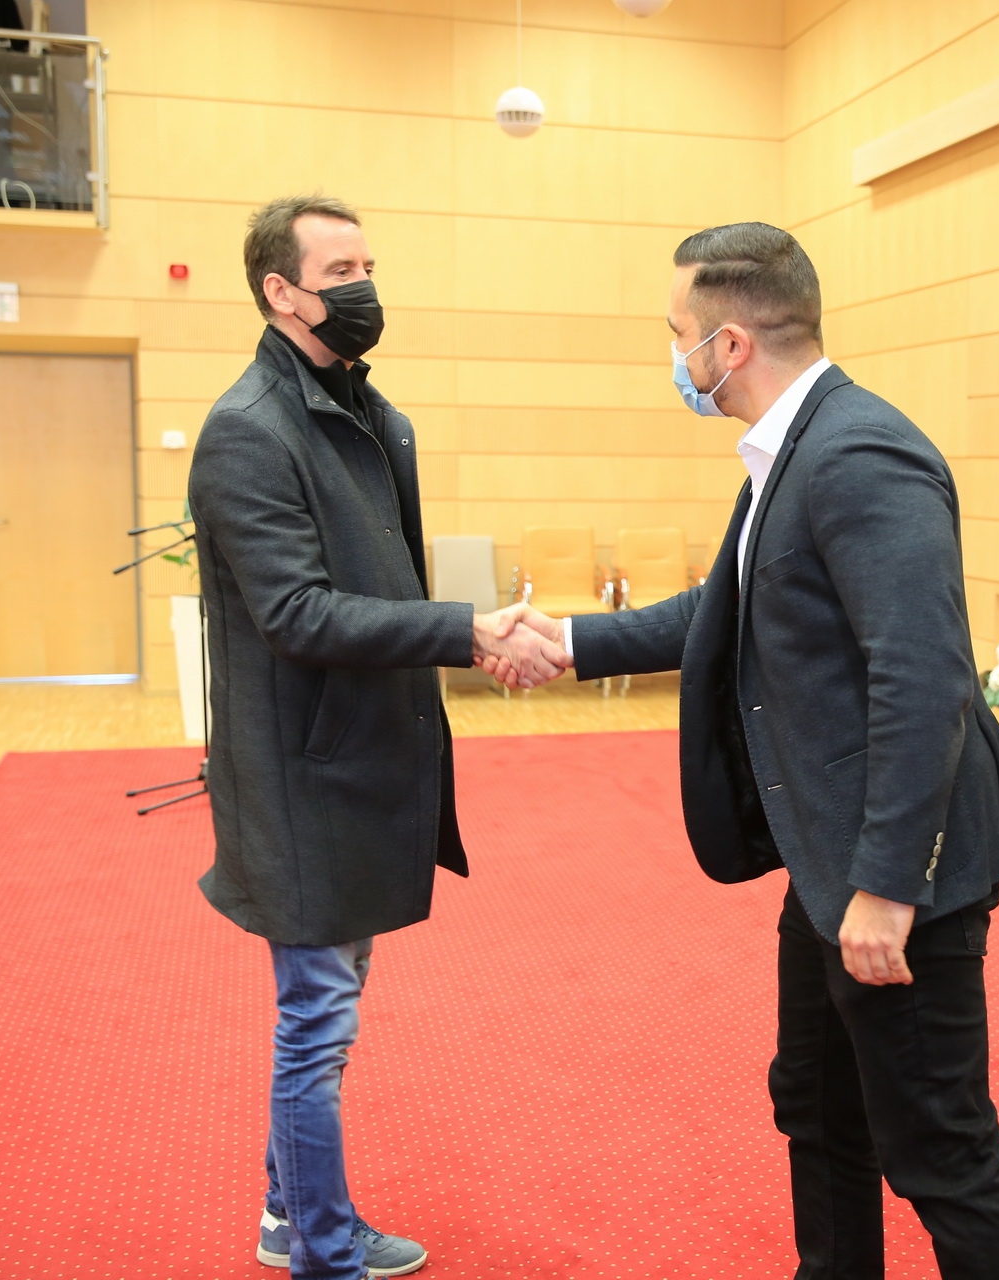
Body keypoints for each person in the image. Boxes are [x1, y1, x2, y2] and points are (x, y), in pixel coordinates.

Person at [492, 222, 999, 1280]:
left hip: (899, 865)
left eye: (678, 336)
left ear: (732, 345)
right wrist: (569, 640)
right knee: (819, 1104)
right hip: (826, 851)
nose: (676, 358)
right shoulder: (789, 450)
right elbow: (730, 606)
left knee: (941, 1149)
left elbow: (924, 677)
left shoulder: (860, 454)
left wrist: (887, 885)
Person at [187, 194, 564, 1280]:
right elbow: (298, 613)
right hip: (299, 773)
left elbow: (381, 585)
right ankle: (324, 1252)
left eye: (368, 266)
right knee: (317, 1024)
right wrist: (464, 630)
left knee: (326, 1012)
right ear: (281, 291)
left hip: (360, 757)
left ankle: (288, 1215)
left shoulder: (365, 410)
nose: (364, 287)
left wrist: (466, 636)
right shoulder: (250, 429)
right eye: (340, 271)